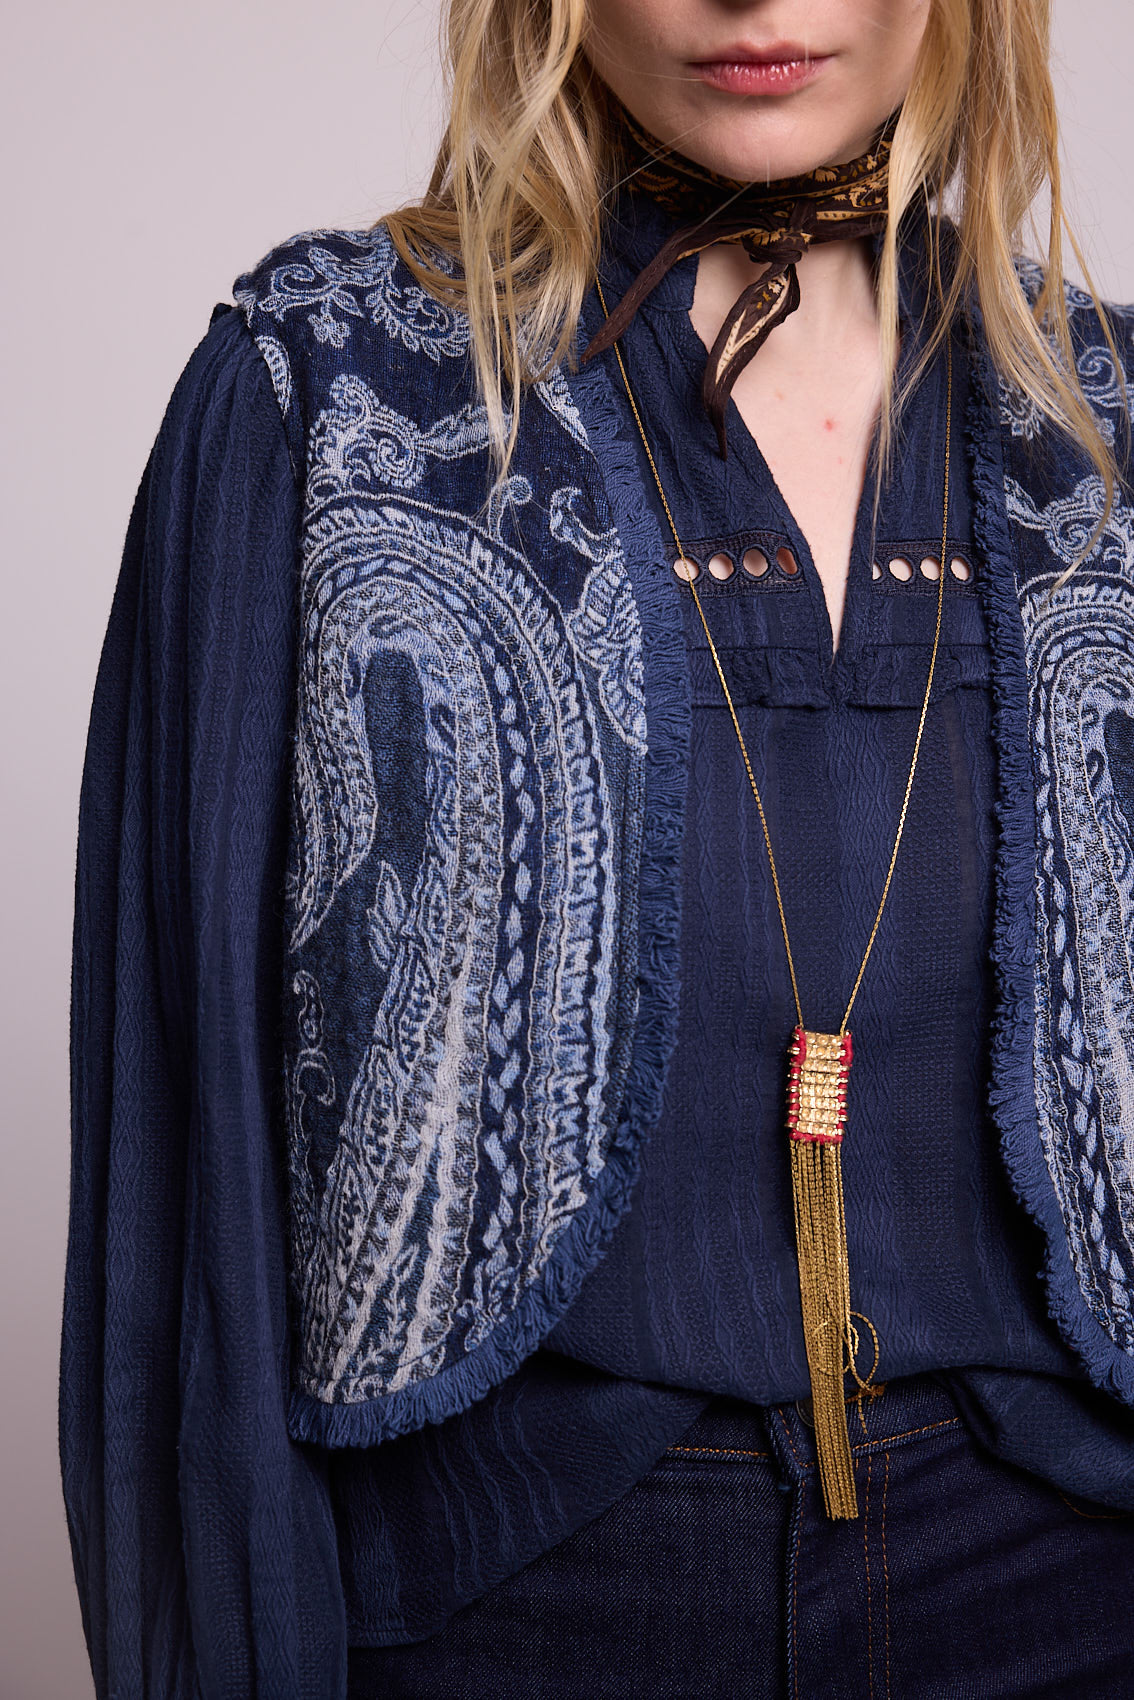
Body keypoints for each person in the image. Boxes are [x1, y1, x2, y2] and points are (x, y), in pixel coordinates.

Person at [60, 0, 1134, 1694]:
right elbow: (184, 1170)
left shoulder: (1107, 419)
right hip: (506, 1586)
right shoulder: (323, 391)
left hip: (1068, 1572)